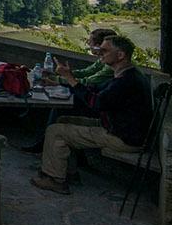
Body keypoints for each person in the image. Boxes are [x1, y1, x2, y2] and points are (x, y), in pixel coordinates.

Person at [32, 35, 154, 193]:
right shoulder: (128, 73)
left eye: (104, 50)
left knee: (55, 131)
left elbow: (96, 103)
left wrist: (69, 78)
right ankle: (70, 172)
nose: (99, 53)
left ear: (120, 55)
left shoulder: (125, 81)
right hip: (122, 129)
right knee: (63, 119)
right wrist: (63, 82)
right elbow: (96, 90)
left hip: (123, 138)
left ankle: (54, 179)